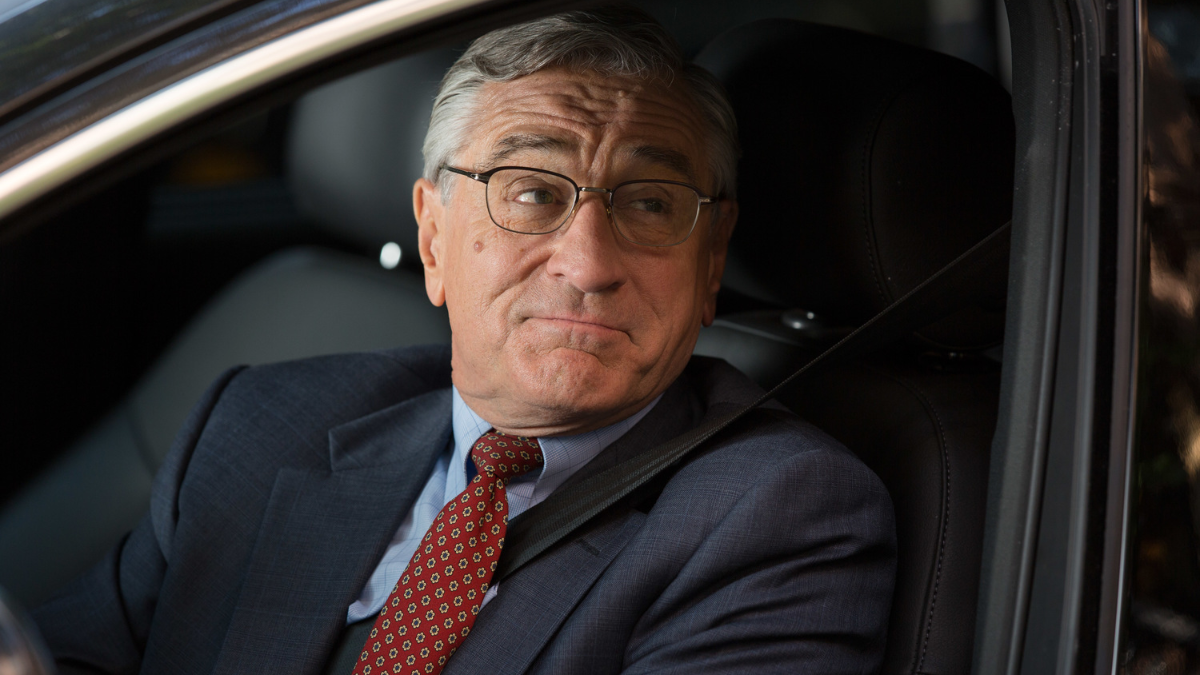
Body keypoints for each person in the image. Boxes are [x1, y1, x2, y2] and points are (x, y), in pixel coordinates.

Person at [33, 7, 895, 675]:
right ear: (434, 237)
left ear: (710, 261)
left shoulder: (779, 512)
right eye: (532, 192)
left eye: (649, 204)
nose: (589, 264)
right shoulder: (261, 422)